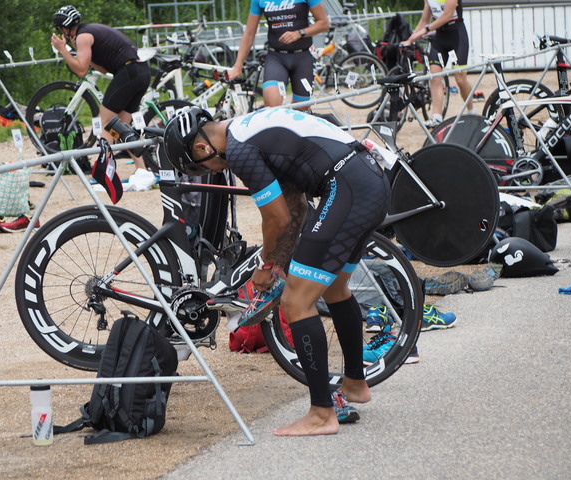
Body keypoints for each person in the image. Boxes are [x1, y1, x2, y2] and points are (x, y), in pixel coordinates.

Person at [163, 106, 391, 436]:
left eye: (203, 169)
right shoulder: (252, 130)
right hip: (369, 180)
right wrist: (279, 266)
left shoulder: (240, 149)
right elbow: (295, 208)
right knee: (334, 288)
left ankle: (321, 414)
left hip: (347, 188)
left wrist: (265, 266)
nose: (213, 171)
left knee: (296, 302)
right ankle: (355, 383)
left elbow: (276, 219)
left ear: (201, 149)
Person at [50, 5, 154, 185]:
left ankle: (100, 173)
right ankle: (143, 171)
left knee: (105, 122)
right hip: (141, 71)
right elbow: (103, 67)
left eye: (60, 29)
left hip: (129, 72)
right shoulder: (90, 31)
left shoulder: (83, 36)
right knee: (122, 126)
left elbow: (81, 71)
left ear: (65, 28)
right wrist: (83, 57)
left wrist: (63, 50)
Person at [228, 0, 330, 108]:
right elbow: (249, 33)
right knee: (272, 103)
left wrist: (300, 33)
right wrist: (238, 65)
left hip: (302, 58)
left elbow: (324, 24)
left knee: (301, 110)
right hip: (276, 58)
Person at [402, 0, 475, 127]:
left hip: (457, 36)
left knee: (460, 79)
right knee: (435, 77)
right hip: (440, 38)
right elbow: (424, 20)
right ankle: (437, 117)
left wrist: (426, 29)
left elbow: (447, 15)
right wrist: (410, 40)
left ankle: (471, 111)